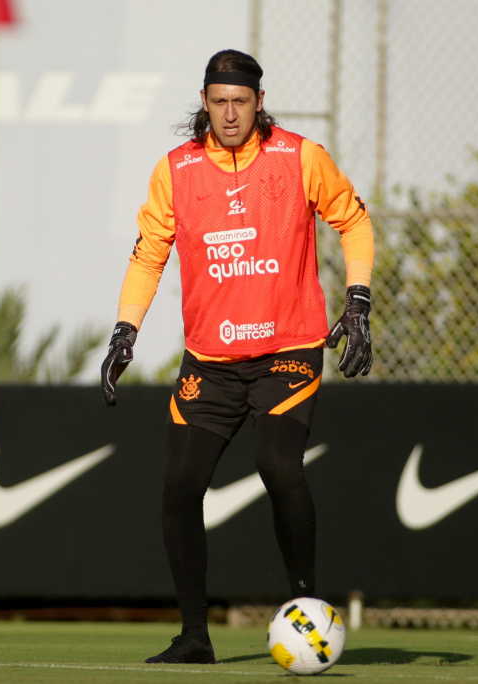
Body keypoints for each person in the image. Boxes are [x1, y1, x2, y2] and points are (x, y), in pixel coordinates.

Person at [100, 49, 374, 665]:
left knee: (279, 467)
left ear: (258, 101)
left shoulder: (301, 156)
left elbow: (353, 222)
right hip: (211, 361)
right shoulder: (175, 170)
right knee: (179, 485)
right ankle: (195, 636)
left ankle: (306, 610)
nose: (230, 114)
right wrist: (125, 331)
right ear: (204, 102)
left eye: (241, 102)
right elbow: (149, 254)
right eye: (219, 102)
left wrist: (357, 301)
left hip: (288, 349)